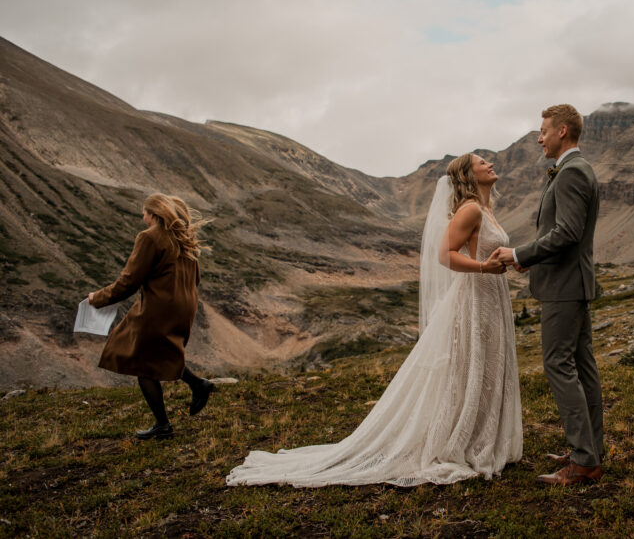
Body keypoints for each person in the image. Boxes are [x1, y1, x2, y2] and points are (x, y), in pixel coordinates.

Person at [226, 154, 522, 487]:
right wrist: (483, 268)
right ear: (470, 173)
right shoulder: (469, 209)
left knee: (488, 364)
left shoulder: (486, 209)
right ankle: (462, 440)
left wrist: (509, 262)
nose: (491, 163)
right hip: (475, 298)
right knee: (470, 366)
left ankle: (482, 437)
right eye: (483, 161)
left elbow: (487, 250)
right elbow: (445, 254)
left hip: (492, 296)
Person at [494, 104, 604, 486]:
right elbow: (561, 232)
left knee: (559, 366)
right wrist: (531, 260)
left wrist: (520, 254)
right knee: (582, 366)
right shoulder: (576, 169)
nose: (539, 138)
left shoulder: (572, 173)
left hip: (565, 287)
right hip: (570, 282)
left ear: (562, 131)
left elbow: (568, 232)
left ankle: (583, 460)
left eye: (543, 131)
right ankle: (590, 449)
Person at [89, 193, 215, 440]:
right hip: (185, 304)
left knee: (142, 362)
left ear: (154, 214)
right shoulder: (183, 237)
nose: (143, 218)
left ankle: (163, 425)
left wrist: (98, 298)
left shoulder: (149, 237)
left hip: (160, 307)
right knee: (162, 353)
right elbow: (196, 277)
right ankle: (198, 385)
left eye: (144, 213)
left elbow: (129, 280)